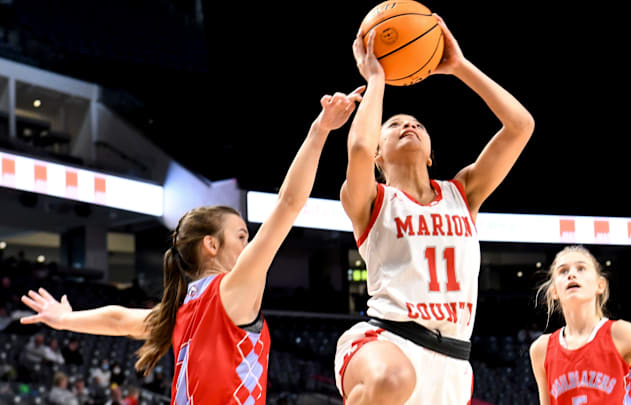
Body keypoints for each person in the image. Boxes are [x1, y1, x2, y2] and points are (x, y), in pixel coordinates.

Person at [19, 87, 364, 405]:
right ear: (211, 245)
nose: (248, 245)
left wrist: (66, 319)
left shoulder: (182, 311)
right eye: (242, 236)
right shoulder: (232, 291)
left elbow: (119, 320)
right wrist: (320, 131)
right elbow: (288, 203)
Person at [335, 14, 534, 405]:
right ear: (378, 154)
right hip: (387, 340)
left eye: (417, 125)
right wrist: (376, 78)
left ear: (430, 156)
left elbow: (520, 126)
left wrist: (460, 67)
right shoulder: (370, 200)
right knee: (392, 379)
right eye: (394, 125)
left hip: (452, 364)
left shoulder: (464, 193)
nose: (408, 126)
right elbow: (356, 148)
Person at [529, 245, 631, 404]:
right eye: (563, 271)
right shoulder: (541, 349)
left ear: (600, 285)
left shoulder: (621, 333)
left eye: (581, 268)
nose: (571, 274)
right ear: (554, 291)